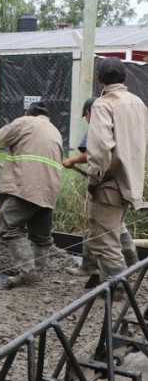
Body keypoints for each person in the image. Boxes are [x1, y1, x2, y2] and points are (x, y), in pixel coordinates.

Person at [0, 101, 63, 288]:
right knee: (41, 236)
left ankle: (28, 273)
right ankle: (36, 274)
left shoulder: (25, 122)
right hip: (50, 190)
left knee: (9, 224)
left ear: (28, 113)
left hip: (28, 186)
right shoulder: (54, 131)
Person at [84, 57, 148, 286]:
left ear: (100, 80)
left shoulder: (103, 104)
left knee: (105, 242)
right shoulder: (138, 103)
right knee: (114, 231)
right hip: (131, 181)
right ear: (125, 77)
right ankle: (111, 281)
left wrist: (95, 178)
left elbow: (101, 148)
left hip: (109, 183)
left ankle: (117, 289)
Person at [62, 97, 138, 280]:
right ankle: (134, 264)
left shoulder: (98, 123)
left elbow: (92, 152)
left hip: (102, 185)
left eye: (86, 116)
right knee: (118, 225)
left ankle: (105, 276)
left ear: (89, 112)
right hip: (123, 185)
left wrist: (71, 160)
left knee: (94, 222)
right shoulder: (121, 125)